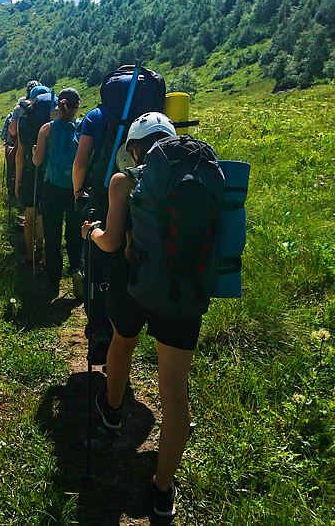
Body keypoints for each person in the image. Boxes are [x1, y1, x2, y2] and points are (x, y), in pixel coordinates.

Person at [80, 112, 191, 518]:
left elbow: (110, 243)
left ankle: (111, 411)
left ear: (136, 147)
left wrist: (90, 231)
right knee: (175, 391)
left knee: (122, 342)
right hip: (186, 294)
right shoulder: (201, 173)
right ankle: (163, 491)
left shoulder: (125, 180)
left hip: (138, 287)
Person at [31, 88, 83, 300]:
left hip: (51, 188)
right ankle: (77, 271)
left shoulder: (46, 129)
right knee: (75, 233)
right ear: (75, 107)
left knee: (53, 235)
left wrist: (34, 153)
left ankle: (53, 283)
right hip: (76, 187)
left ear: (59, 105)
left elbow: (38, 161)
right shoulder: (82, 127)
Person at [71, 104, 113, 360]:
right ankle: (124, 334)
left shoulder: (96, 116)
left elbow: (80, 162)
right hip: (144, 200)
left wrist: (77, 192)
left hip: (101, 198)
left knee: (96, 267)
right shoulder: (154, 113)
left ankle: (98, 328)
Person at [14, 83, 49, 269]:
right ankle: (43, 251)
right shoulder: (56, 115)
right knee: (44, 213)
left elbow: (20, 154)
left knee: (30, 212)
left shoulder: (25, 116)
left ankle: (29, 255)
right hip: (51, 172)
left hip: (30, 169)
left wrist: (17, 181)